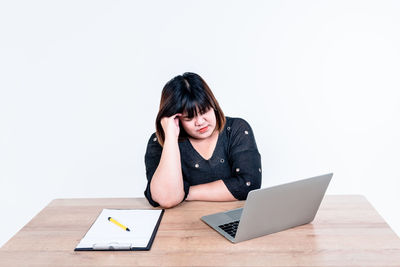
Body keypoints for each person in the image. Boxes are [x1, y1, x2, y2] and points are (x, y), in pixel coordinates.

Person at [144, 72, 262, 208]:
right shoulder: (159, 142)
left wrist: (184, 192)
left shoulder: (236, 129)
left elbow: (249, 184)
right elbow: (166, 199)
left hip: (231, 220)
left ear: (213, 105)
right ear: (176, 119)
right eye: (189, 118)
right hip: (181, 224)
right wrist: (170, 137)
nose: (200, 122)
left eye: (205, 111)